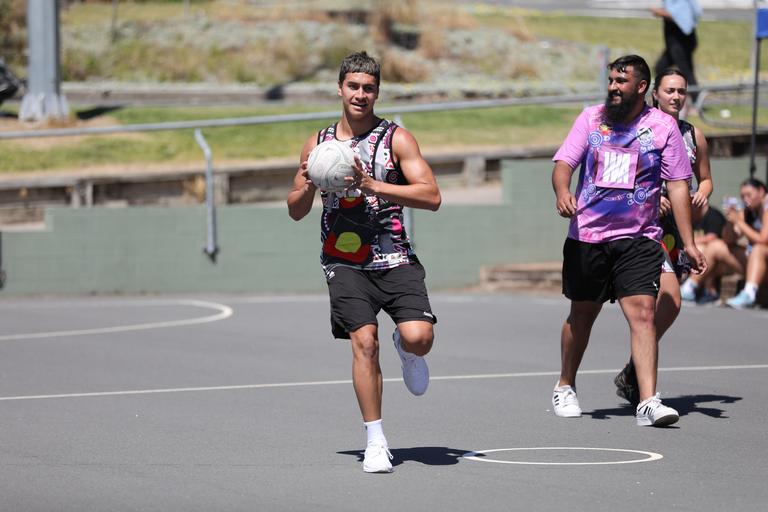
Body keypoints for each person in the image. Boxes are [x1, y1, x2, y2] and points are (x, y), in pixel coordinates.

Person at [286, 51, 441, 473]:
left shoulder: (396, 139)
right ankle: (376, 440)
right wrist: (308, 185)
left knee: (419, 337)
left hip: (393, 256)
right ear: (339, 89)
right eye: (353, 86)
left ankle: (407, 350)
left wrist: (374, 185)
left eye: (368, 88)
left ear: (377, 93)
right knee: (365, 342)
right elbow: (295, 209)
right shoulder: (318, 145)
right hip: (343, 261)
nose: (360, 94)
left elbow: (431, 196)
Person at [551, 55, 706, 427]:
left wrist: (689, 242)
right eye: (611, 81)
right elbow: (564, 163)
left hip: (639, 237)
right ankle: (565, 384)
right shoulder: (591, 118)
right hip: (588, 235)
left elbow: (678, 186)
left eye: (621, 81)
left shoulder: (663, 128)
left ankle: (648, 401)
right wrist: (562, 191)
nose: (613, 87)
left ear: (641, 87)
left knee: (644, 314)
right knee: (582, 315)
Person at [613, 66, 713, 407]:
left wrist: (702, 194)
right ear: (654, 93)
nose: (676, 96)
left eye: (682, 91)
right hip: (643, 228)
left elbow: (705, 179)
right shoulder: (640, 128)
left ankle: (633, 370)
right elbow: (622, 175)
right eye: (670, 90)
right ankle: (643, 387)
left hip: (677, 231)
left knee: (665, 308)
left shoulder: (693, 135)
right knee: (670, 299)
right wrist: (652, 197)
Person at [680, 178, 768, 309]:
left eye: (749, 195)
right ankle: (690, 288)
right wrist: (731, 221)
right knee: (716, 246)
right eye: (742, 196)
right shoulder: (748, 210)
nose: (746, 199)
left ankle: (749, 293)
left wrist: (739, 222)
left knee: (759, 249)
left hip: (762, 255)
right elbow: (728, 240)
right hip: (754, 259)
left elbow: (763, 240)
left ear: (761, 191)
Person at [651, 0, 702, 106]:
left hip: (680, 42)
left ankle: (696, 102)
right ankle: (663, 97)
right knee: (660, 67)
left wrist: (659, 12)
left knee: (686, 71)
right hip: (675, 43)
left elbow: (679, 15)